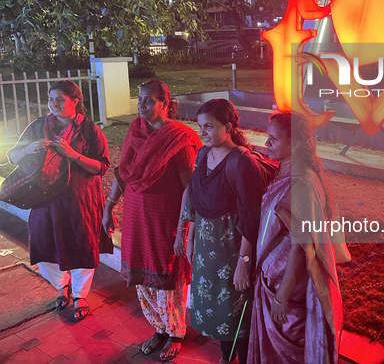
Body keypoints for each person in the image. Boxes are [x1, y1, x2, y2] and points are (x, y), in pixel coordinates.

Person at [102, 80, 201, 361]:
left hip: (166, 218)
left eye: (148, 100)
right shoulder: (137, 131)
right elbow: (124, 173)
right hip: (136, 216)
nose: (141, 105)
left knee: (168, 275)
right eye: (140, 100)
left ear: (164, 104)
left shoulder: (179, 139)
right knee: (143, 276)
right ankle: (159, 327)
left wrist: (185, 228)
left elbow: (189, 188)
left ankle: (176, 332)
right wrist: (109, 206)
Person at [248, 111, 349, 364]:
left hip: (287, 291)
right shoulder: (285, 172)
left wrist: (282, 296)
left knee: (287, 354)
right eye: (266, 137)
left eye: (273, 138)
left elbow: (301, 248)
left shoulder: (302, 185)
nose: (266, 143)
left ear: (294, 144)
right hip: (272, 281)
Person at [6, 80, 112, 321]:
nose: (53, 104)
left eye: (59, 99)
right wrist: (27, 149)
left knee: (82, 243)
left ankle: (80, 295)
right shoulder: (38, 126)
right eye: (50, 99)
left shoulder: (89, 131)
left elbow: (101, 167)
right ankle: (62, 288)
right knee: (44, 242)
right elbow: (12, 156)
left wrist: (73, 155)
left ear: (75, 101)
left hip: (80, 198)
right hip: (44, 198)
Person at [177, 98, 265, 364]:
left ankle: (243, 357)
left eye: (209, 126)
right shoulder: (203, 154)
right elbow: (195, 196)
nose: (202, 132)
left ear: (228, 126)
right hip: (206, 251)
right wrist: (189, 236)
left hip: (231, 253)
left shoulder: (242, 162)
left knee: (234, 309)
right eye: (200, 126)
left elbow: (251, 218)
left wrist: (243, 262)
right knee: (215, 306)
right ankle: (226, 357)